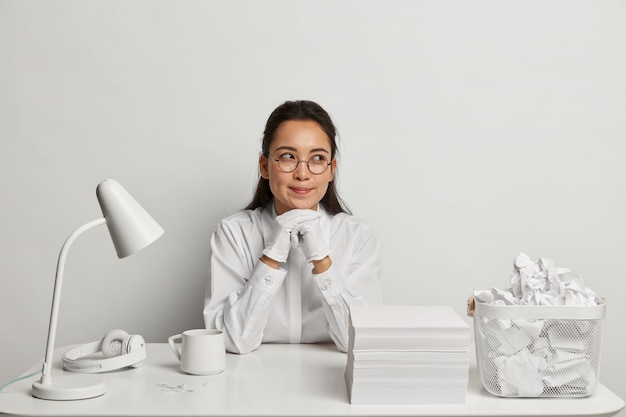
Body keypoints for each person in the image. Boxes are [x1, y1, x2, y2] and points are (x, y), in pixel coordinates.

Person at [203, 100, 383, 354]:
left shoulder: (358, 236)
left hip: (331, 380)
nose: (302, 173)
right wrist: (271, 256)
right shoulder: (234, 232)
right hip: (249, 380)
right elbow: (232, 341)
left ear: (331, 170)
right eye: (288, 157)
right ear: (264, 166)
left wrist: (320, 258)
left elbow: (360, 342)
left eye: (317, 159)